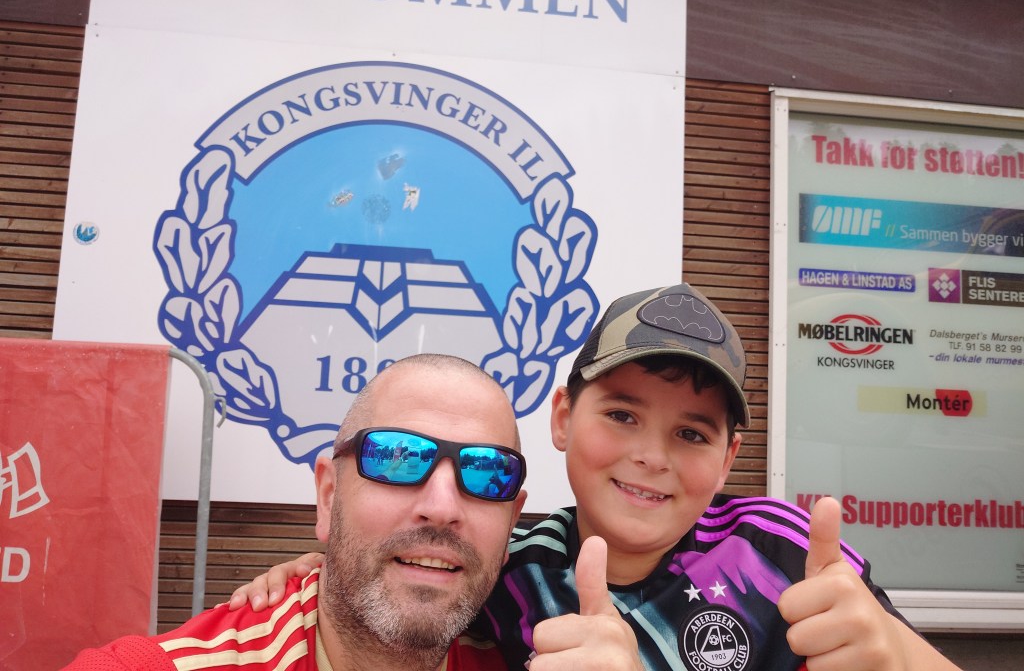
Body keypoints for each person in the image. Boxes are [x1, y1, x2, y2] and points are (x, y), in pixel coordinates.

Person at [231, 285, 963, 671]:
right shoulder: (514, 571)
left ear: (728, 459)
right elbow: (405, 579)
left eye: (691, 434)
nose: (652, 456)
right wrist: (318, 570)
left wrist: (893, 653)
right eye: (622, 415)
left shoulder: (785, 551)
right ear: (562, 418)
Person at [62, 354, 550, 671]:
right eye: (396, 458)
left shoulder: (529, 656)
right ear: (329, 495)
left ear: (511, 524)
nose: (441, 508)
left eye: (489, 473)